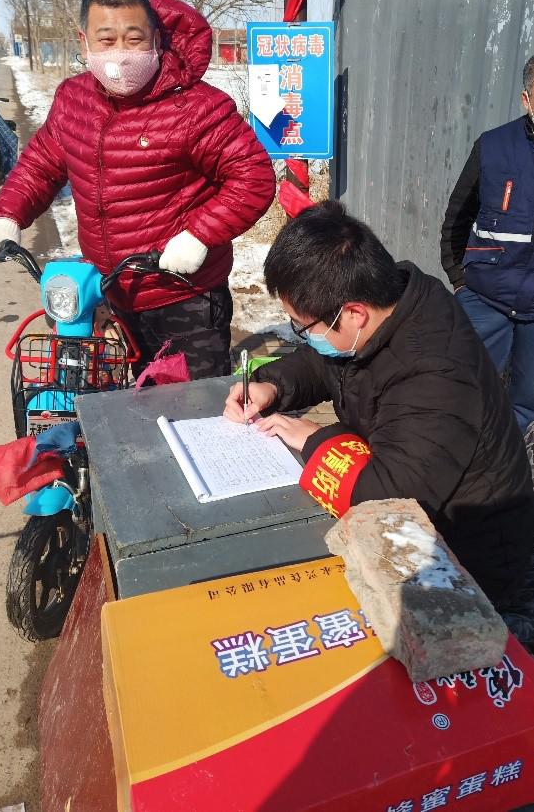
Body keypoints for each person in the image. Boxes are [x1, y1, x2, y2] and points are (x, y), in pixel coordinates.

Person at [224, 201, 534, 636]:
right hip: (421, 511)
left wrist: (316, 440)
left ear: (354, 313)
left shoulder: (435, 372)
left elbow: (389, 498)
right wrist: (271, 385)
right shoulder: (386, 305)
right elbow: (324, 362)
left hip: (470, 559)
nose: (304, 337)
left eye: (303, 326)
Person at [0, 0, 275, 379]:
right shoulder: (73, 100)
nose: (120, 53)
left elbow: (253, 177)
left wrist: (199, 235)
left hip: (183, 293)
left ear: (156, 40)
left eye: (134, 39)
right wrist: (7, 217)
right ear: (84, 43)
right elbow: (41, 165)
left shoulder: (196, 107)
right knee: (123, 398)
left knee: (194, 404)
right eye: (106, 39)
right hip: (110, 290)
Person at [440, 56, 534, 433]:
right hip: (485, 299)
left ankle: (515, 458)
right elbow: (457, 217)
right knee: (461, 392)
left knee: (526, 405)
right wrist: (460, 280)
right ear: (526, 100)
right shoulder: (493, 146)